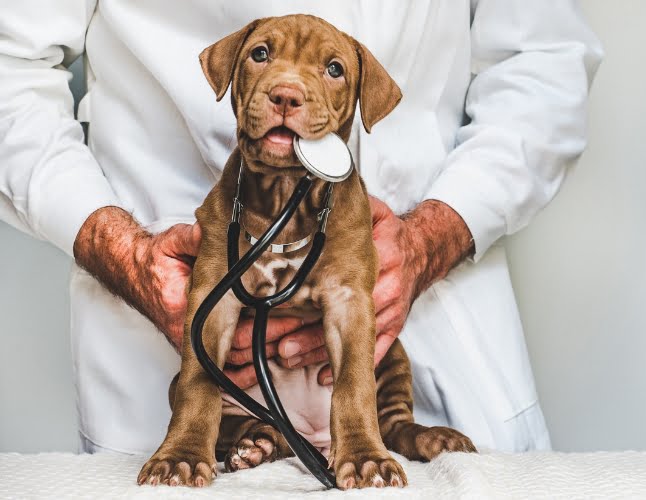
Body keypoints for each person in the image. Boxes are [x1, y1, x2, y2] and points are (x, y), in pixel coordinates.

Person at [0, 1, 602, 454]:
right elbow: (10, 64)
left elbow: (542, 63)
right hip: (160, 338)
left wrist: (429, 239)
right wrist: (123, 252)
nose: (288, 89)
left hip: (433, 337)